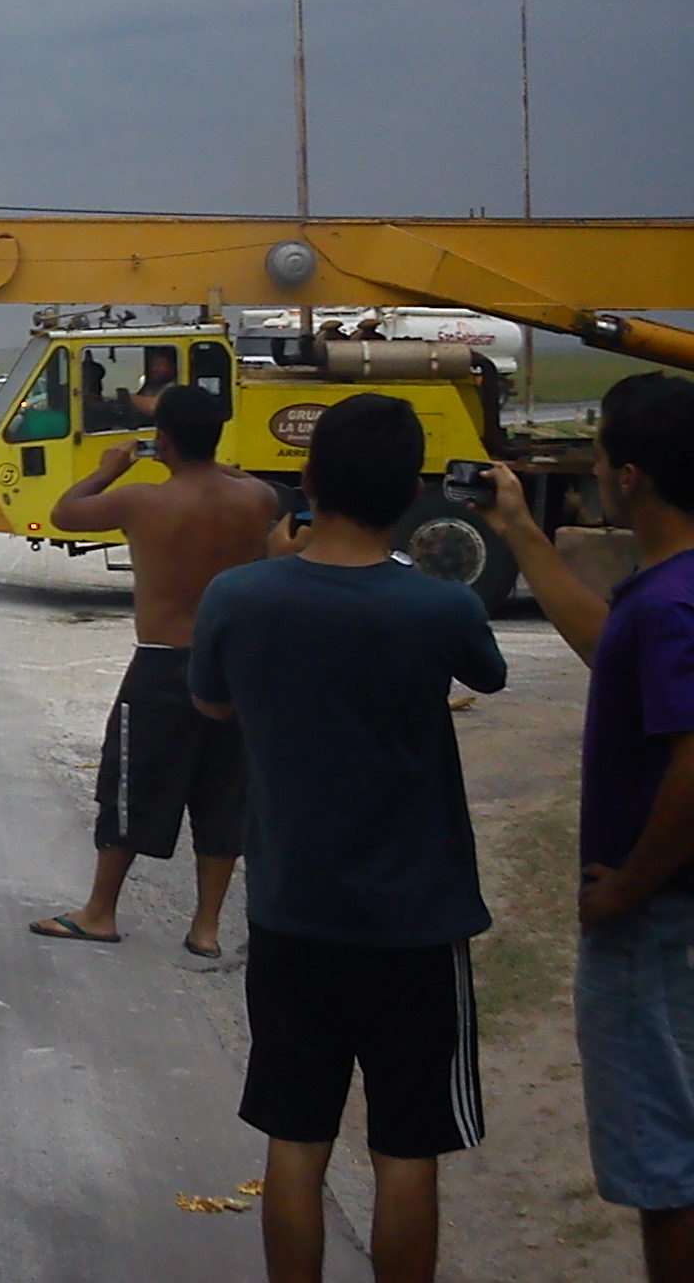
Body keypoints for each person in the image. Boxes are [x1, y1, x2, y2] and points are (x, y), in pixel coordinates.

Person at [191, 394, 506, 1283]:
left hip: (294, 913)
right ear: (410, 491)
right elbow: (489, 672)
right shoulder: (437, 608)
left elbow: (214, 702)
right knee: (408, 1149)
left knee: (297, 1140)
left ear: (311, 481)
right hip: (418, 919)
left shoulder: (241, 595)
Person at [478, 373, 694, 1281]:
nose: (598, 472)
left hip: (660, 920)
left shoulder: (676, 605)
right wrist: (523, 533)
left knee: (667, 1165)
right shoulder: (666, 595)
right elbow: (613, 652)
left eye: (602, 458)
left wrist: (630, 884)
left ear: (631, 477)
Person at [30, 384, 278, 959]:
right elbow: (247, 484)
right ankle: (206, 928)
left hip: (165, 667)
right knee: (224, 793)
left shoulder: (142, 501)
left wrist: (108, 469)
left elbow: (64, 513)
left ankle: (99, 911)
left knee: (131, 787)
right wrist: (218, 464)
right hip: (236, 668)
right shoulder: (256, 499)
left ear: (161, 440)